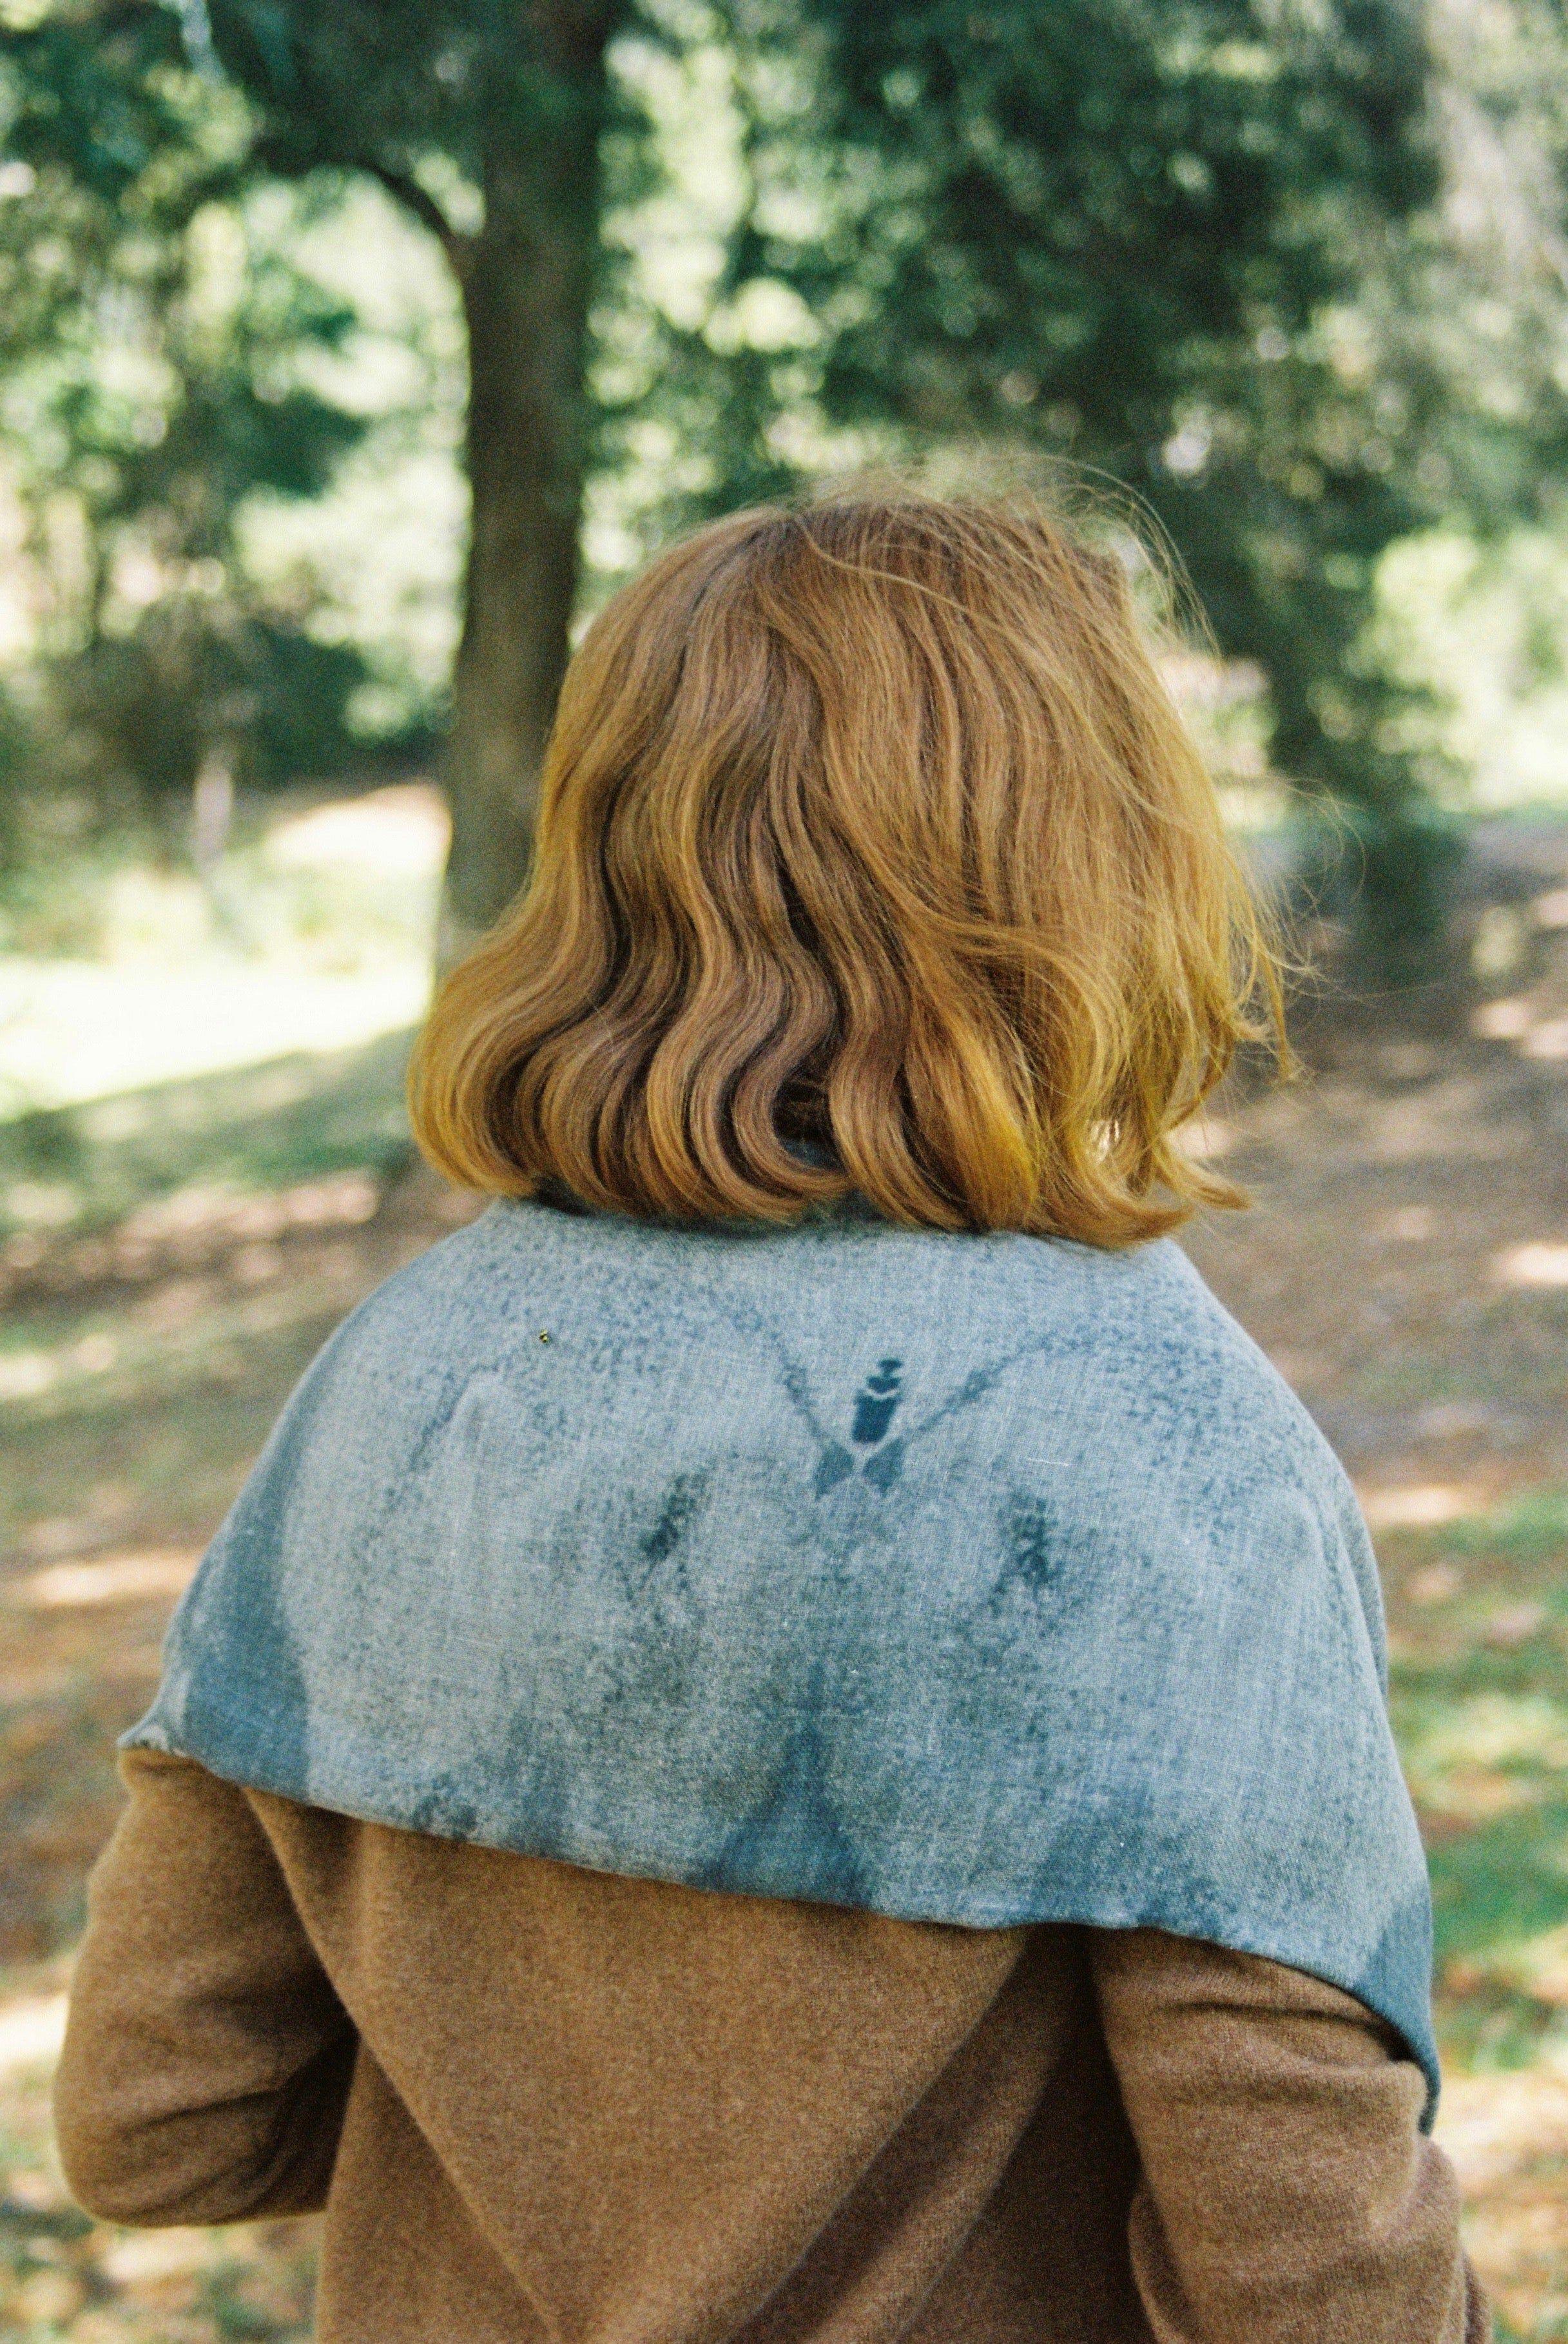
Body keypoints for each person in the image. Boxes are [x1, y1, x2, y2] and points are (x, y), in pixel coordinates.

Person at [56, 496, 1486, 2343]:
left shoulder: (401, 1386)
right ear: (1095, 865)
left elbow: (158, 2127)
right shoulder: (1161, 1446)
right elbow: (1312, 2286)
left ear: (604, 855)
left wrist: (549, 2108)